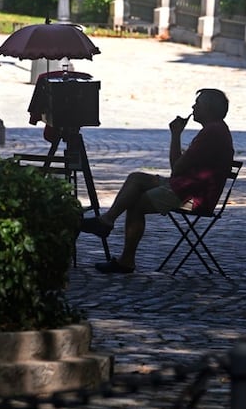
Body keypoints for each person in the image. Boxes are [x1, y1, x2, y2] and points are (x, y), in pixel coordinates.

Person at [78, 88, 235, 274]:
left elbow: (176, 168)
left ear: (209, 108)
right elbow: (180, 170)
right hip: (185, 187)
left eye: (198, 103)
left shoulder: (211, 133)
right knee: (136, 178)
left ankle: (125, 259)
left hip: (192, 198)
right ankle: (106, 221)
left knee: (137, 203)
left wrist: (175, 135)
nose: (193, 107)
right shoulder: (216, 129)